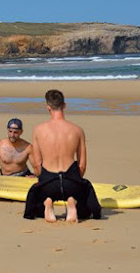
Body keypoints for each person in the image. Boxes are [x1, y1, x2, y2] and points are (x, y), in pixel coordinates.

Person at [24, 90, 101, 222]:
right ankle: (72, 201)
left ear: (48, 107)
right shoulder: (77, 130)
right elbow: (82, 165)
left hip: (48, 183)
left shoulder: (39, 130)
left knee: (35, 195)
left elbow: (37, 165)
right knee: (85, 191)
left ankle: (47, 203)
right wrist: (75, 181)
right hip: (71, 182)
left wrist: (43, 179)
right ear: (64, 105)